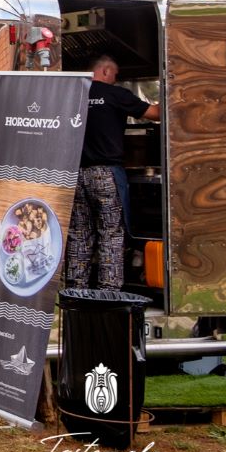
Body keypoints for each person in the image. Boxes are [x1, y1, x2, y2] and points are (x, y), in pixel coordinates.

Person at [67, 55, 159, 290]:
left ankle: (77, 289)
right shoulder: (115, 94)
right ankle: (109, 290)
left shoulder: (72, 95)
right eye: (116, 75)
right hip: (105, 175)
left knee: (80, 233)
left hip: (76, 175)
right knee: (110, 233)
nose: (116, 79)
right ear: (106, 71)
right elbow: (155, 114)